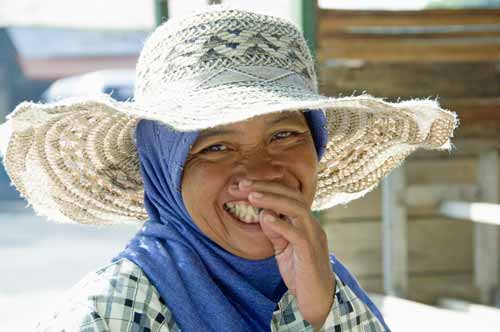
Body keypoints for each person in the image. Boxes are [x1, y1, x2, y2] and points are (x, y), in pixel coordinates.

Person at [0, 5, 458, 332]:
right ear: (165, 169)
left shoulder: (327, 284)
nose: (258, 175)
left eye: (283, 135)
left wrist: (316, 313)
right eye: (215, 146)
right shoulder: (113, 313)